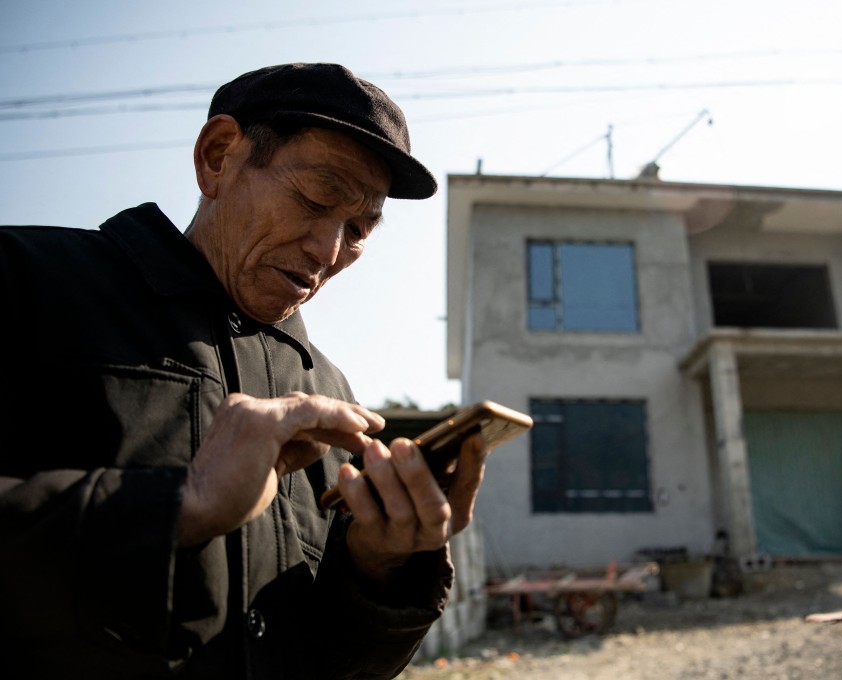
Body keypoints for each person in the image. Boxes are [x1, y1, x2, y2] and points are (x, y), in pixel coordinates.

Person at [0, 62, 487, 679]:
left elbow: (333, 664)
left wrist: (380, 569)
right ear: (218, 156)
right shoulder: (28, 279)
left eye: (359, 229)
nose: (329, 250)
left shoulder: (329, 393)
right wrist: (184, 503)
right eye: (316, 197)